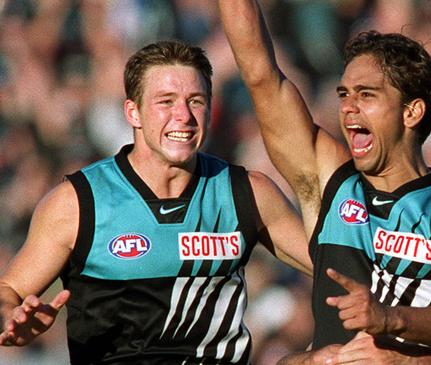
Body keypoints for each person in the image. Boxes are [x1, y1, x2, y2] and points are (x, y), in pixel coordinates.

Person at [218, 1, 431, 363]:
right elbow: (261, 73)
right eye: (344, 94)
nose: (348, 107)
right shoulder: (331, 183)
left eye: (366, 94)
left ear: (411, 111)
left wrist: (389, 321)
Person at [0, 40, 311, 364]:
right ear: (132, 111)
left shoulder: (245, 193)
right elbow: (8, 289)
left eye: (196, 101)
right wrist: (13, 317)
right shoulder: (78, 203)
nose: (184, 116)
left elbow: (338, 267)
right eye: (166, 101)